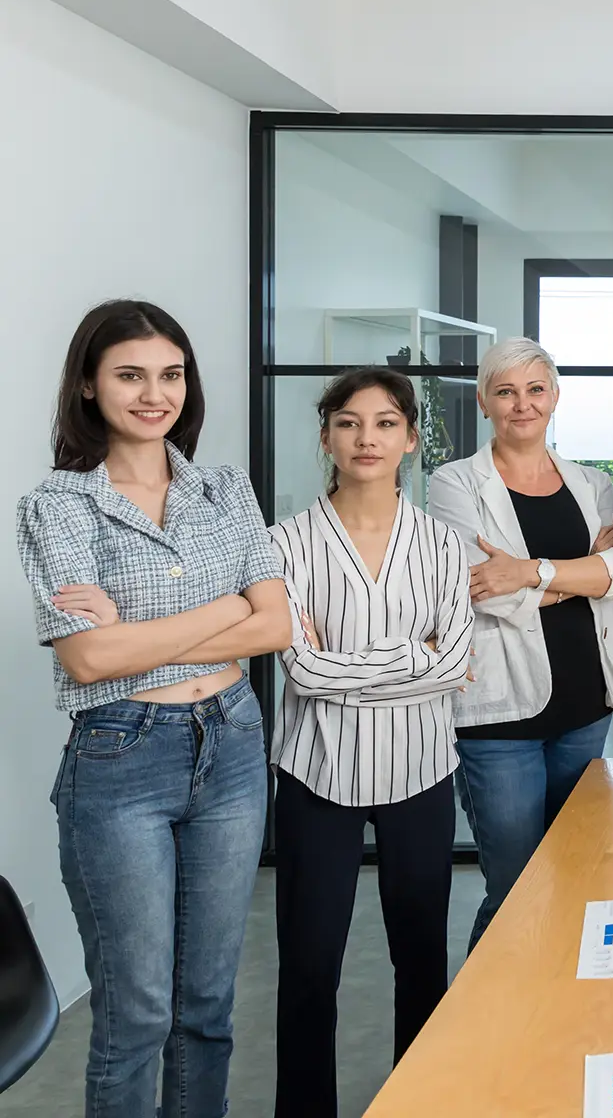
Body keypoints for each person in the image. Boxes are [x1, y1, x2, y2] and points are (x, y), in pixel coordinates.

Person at [17, 300, 289, 1118]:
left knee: (206, 1007)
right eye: (129, 375)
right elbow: (90, 657)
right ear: (89, 386)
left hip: (233, 744)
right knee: (136, 1014)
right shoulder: (58, 504)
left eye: (169, 374)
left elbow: (276, 624)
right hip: (121, 756)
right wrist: (223, 613)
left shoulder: (224, 488)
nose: (153, 393)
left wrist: (141, 630)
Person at [268, 368, 474, 1118]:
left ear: (411, 440)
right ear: (325, 435)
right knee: (309, 964)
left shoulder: (444, 544)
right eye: (349, 423)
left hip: (420, 770)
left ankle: (418, 1102)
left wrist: (348, 668)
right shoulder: (283, 542)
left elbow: (455, 663)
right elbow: (302, 669)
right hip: (316, 774)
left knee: (420, 959)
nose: (367, 438)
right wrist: (414, 658)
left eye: (385, 423)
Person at [428, 338, 613, 949]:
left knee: (576, 873)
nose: (522, 405)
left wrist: (530, 572)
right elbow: (477, 589)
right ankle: (483, 1032)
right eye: (506, 391)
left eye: (535, 390)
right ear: (484, 402)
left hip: (585, 706)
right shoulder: (455, 483)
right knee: (516, 887)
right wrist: (578, 574)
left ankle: (558, 1020)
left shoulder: (594, 485)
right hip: (501, 718)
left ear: (555, 398)